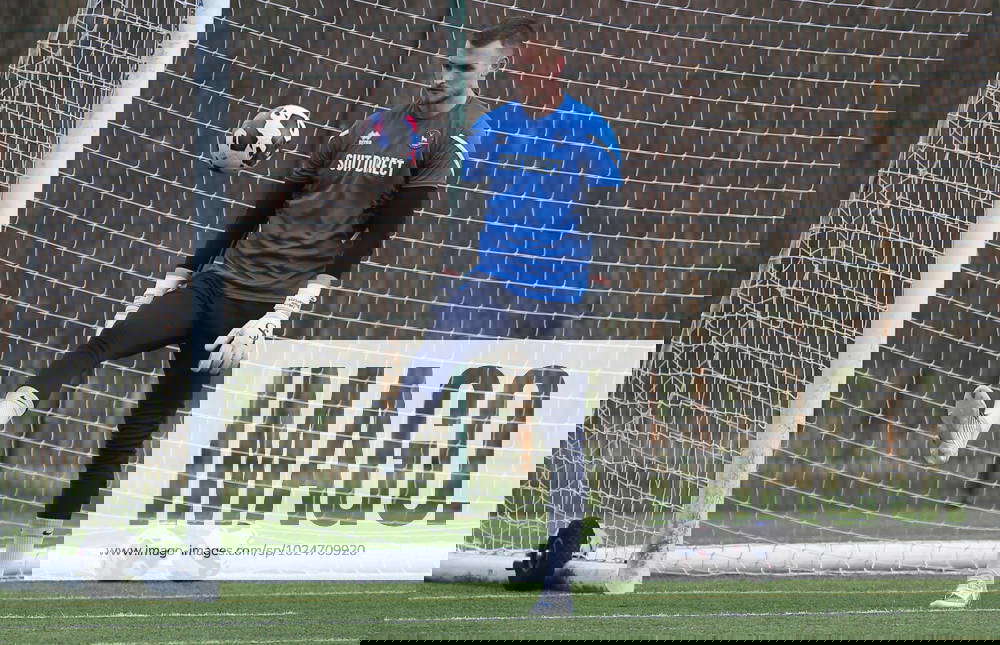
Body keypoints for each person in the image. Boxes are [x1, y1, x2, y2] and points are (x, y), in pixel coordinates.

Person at [0, 18, 539, 563]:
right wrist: (191, 265)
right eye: (448, 61)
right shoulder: (374, 122)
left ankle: (59, 527)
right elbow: (278, 194)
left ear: (485, 77)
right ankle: (17, 403)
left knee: (149, 416)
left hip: (268, 303)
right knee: (106, 343)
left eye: (467, 67)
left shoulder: (449, 139)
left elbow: (380, 230)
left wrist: (296, 303)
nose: (449, 73)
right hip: (224, 278)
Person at [429, 31, 623, 588]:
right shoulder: (498, 124)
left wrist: (601, 266)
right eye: (517, 68)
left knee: (560, 410)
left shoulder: (588, 127)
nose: (524, 76)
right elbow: (461, 183)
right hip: (495, 283)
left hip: (560, 289)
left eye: (535, 65)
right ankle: (452, 509)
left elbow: (611, 204)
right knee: (443, 374)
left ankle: (566, 533)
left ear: (556, 68)